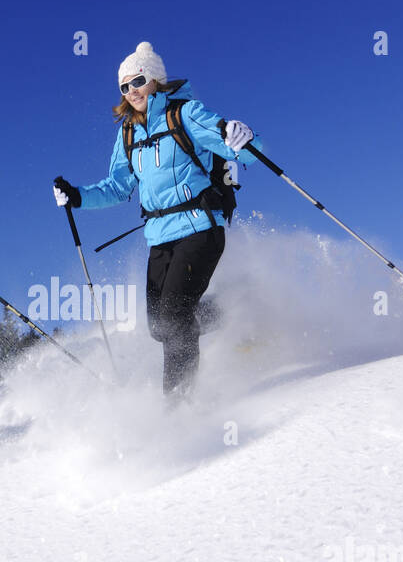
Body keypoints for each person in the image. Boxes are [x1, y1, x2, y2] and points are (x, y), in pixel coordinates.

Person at [52, 42, 253, 395]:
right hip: (159, 237)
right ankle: (231, 309)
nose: (131, 91)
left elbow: (236, 145)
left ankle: (179, 406)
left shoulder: (185, 113)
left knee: (174, 320)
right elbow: (117, 186)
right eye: (124, 86)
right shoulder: (128, 133)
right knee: (159, 326)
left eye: (138, 81)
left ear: (156, 80)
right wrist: (78, 196)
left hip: (200, 228)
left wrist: (243, 138)